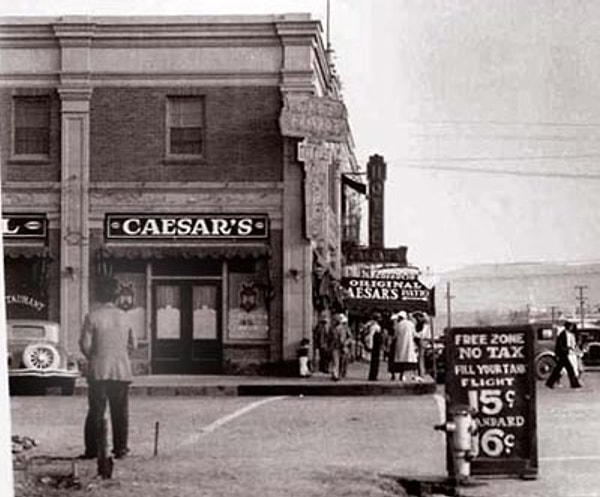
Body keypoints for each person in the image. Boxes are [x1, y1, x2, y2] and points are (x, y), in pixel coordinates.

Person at [79, 276, 137, 460]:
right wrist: (120, 353)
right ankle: (121, 449)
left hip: (99, 369)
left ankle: (93, 450)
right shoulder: (125, 317)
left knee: (96, 410)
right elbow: (133, 345)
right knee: (120, 411)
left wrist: (95, 357)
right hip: (121, 369)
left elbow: (85, 345)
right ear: (116, 296)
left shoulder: (92, 316)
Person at [546, 321, 582, 389]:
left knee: (559, 369)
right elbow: (559, 345)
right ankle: (574, 383)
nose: (572, 327)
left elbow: (574, 344)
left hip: (567, 353)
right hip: (563, 354)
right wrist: (565, 350)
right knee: (569, 369)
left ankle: (550, 382)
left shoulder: (571, 334)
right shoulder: (562, 334)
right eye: (571, 326)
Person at [388, 311, 419, 381]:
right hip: (409, 344)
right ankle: (413, 375)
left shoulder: (398, 325)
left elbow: (395, 335)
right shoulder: (411, 324)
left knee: (401, 360)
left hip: (400, 344)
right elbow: (414, 334)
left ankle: (401, 375)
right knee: (411, 360)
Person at [328, 313, 352, 381]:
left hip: (343, 347)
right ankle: (335, 375)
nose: (334, 321)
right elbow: (329, 338)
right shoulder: (332, 328)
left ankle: (340, 374)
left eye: (336, 320)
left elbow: (350, 337)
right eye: (334, 320)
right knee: (335, 361)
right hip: (335, 346)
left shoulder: (345, 328)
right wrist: (329, 345)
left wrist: (346, 343)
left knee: (342, 361)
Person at [365, 313, 383, 381]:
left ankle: (373, 375)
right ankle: (373, 376)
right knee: (375, 361)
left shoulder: (371, 325)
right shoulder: (375, 326)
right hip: (375, 345)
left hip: (375, 344)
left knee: (374, 361)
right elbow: (371, 336)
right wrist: (371, 345)